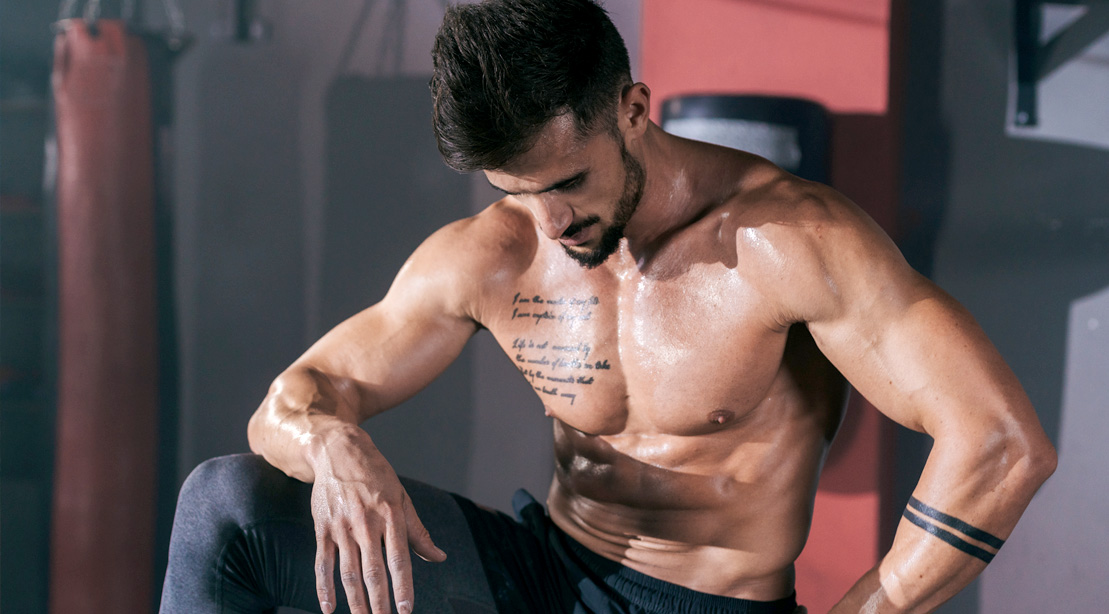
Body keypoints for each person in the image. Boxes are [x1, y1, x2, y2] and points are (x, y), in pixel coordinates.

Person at [159, 1, 1057, 613]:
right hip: (543, 571)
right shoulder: (501, 250)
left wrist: (876, 604)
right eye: (518, 190)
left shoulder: (786, 242)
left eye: (568, 182)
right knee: (225, 505)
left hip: (704, 601)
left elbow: (999, 440)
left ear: (632, 109)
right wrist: (334, 443)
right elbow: (295, 396)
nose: (553, 220)